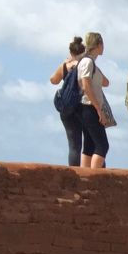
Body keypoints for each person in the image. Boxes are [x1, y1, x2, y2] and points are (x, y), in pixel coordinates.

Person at [75, 31, 116, 168]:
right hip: (89, 107)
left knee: (89, 145)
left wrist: (95, 67)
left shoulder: (88, 62)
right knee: (102, 145)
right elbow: (86, 85)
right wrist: (99, 109)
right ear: (98, 45)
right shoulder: (87, 62)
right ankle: (94, 175)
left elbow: (106, 82)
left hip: (86, 107)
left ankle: (85, 176)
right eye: (102, 44)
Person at [49, 37, 86, 167]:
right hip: (82, 106)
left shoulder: (65, 66)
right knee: (90, 143)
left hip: (67, 107)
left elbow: (53, 80)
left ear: (71, 52)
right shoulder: (85, 65)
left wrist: (64, 63)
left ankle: (74, 173)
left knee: (74, 145)